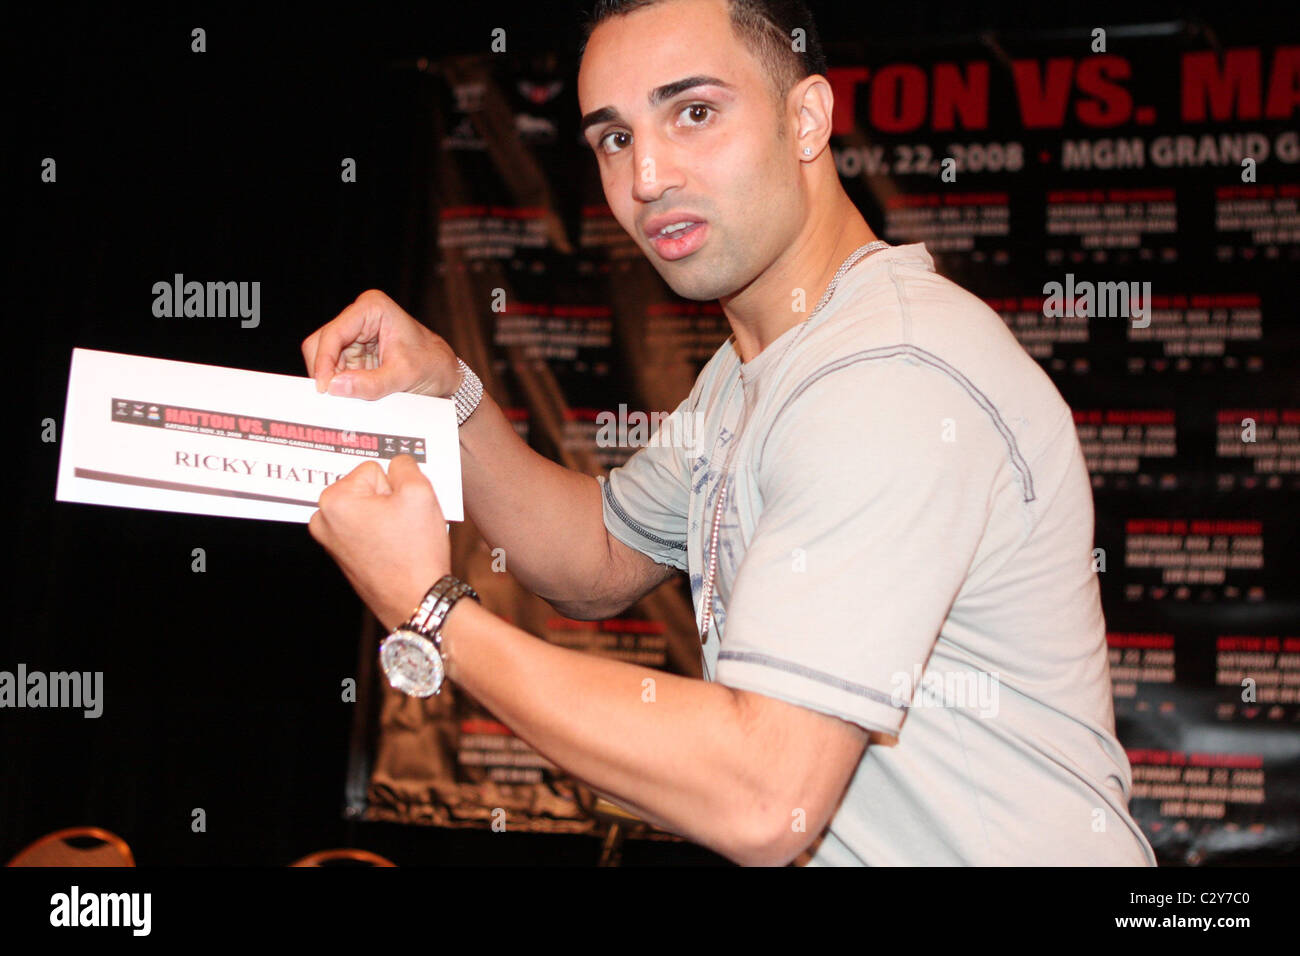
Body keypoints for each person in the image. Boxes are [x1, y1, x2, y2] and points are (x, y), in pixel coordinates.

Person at [301, 0, 1156, 866]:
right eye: (614, 138)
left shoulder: (888, 375)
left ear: (807, 118)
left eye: (695, 113)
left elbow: (763, 799)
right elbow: (595, 559)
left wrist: (430, 611)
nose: (647, 177)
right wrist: (450, 389)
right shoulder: (769, 358)